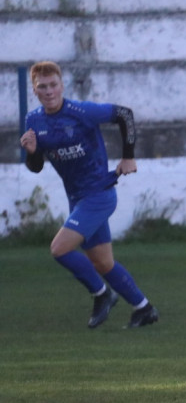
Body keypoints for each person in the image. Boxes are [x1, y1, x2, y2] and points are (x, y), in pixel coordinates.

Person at [20, 61, 159, 329]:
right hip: (78, 198)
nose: (49, 91)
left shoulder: (81, 111)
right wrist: (32, 151)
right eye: (42, 87)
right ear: (35, 91)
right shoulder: (33, 121)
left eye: (53, 85)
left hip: (99, 194)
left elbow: (125, 115)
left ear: (62, 85)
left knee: (59, 249)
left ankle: (102, 294)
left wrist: (128, 157)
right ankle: (144, 309)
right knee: (103, 262)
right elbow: (35, 167)